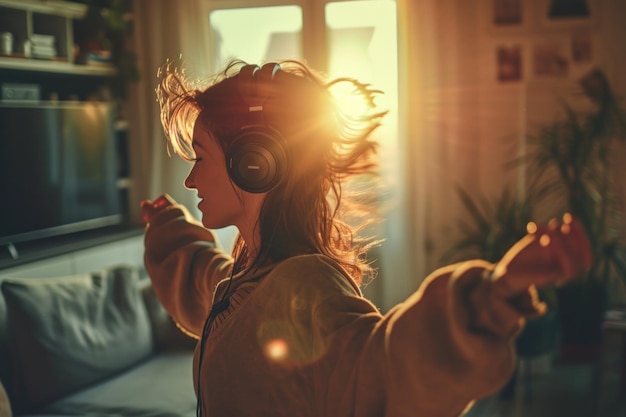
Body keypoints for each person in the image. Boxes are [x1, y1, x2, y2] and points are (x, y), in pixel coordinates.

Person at [141, 59, 593, 417]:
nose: (190, 180)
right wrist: (168, 225)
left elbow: (381, 369)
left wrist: (491, 296)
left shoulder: (301, 285)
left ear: (254, 162)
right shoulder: (247, 278)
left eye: (200, 158)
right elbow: (207, 284)